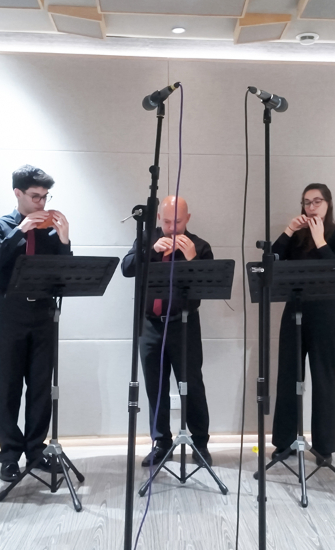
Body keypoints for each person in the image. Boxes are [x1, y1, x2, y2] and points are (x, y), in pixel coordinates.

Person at [0, 165, 71, 482]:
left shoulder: (50, 230)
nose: (41, 203)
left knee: (40, 387)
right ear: (18, 193)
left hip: (44, 312)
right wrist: (20, 230)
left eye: (45, 197)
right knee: (7, 386)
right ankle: (9, 456)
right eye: (35, 196)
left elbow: (65, 274)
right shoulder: (0, 226)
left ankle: (36, 451)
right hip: (10, 311)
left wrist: (64, 240)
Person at [121, 195, 215, 467]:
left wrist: (192, 258)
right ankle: (161, 443)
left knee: (192, 385)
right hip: (150, 325)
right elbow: (127, 268)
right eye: (166, 222)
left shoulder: (200, 246)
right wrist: (150, 251)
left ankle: (200, 443)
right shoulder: (147, 238)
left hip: (184, 324)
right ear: (159, 218)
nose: (172, 228)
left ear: (188, 219)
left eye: (178, 222)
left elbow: (208, 286)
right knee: (155, 386)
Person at [269, 184, 335, 467]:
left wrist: (320, 241)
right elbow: (271, 261)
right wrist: (288, 231)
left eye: (317, 201)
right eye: (306, 202)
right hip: (294, 312)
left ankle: (324, 447)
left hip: (325, 315)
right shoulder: (295, 238)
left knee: (324, 379)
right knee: (288, 377)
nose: (311, 207)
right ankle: (285, 442)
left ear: (328, 204)